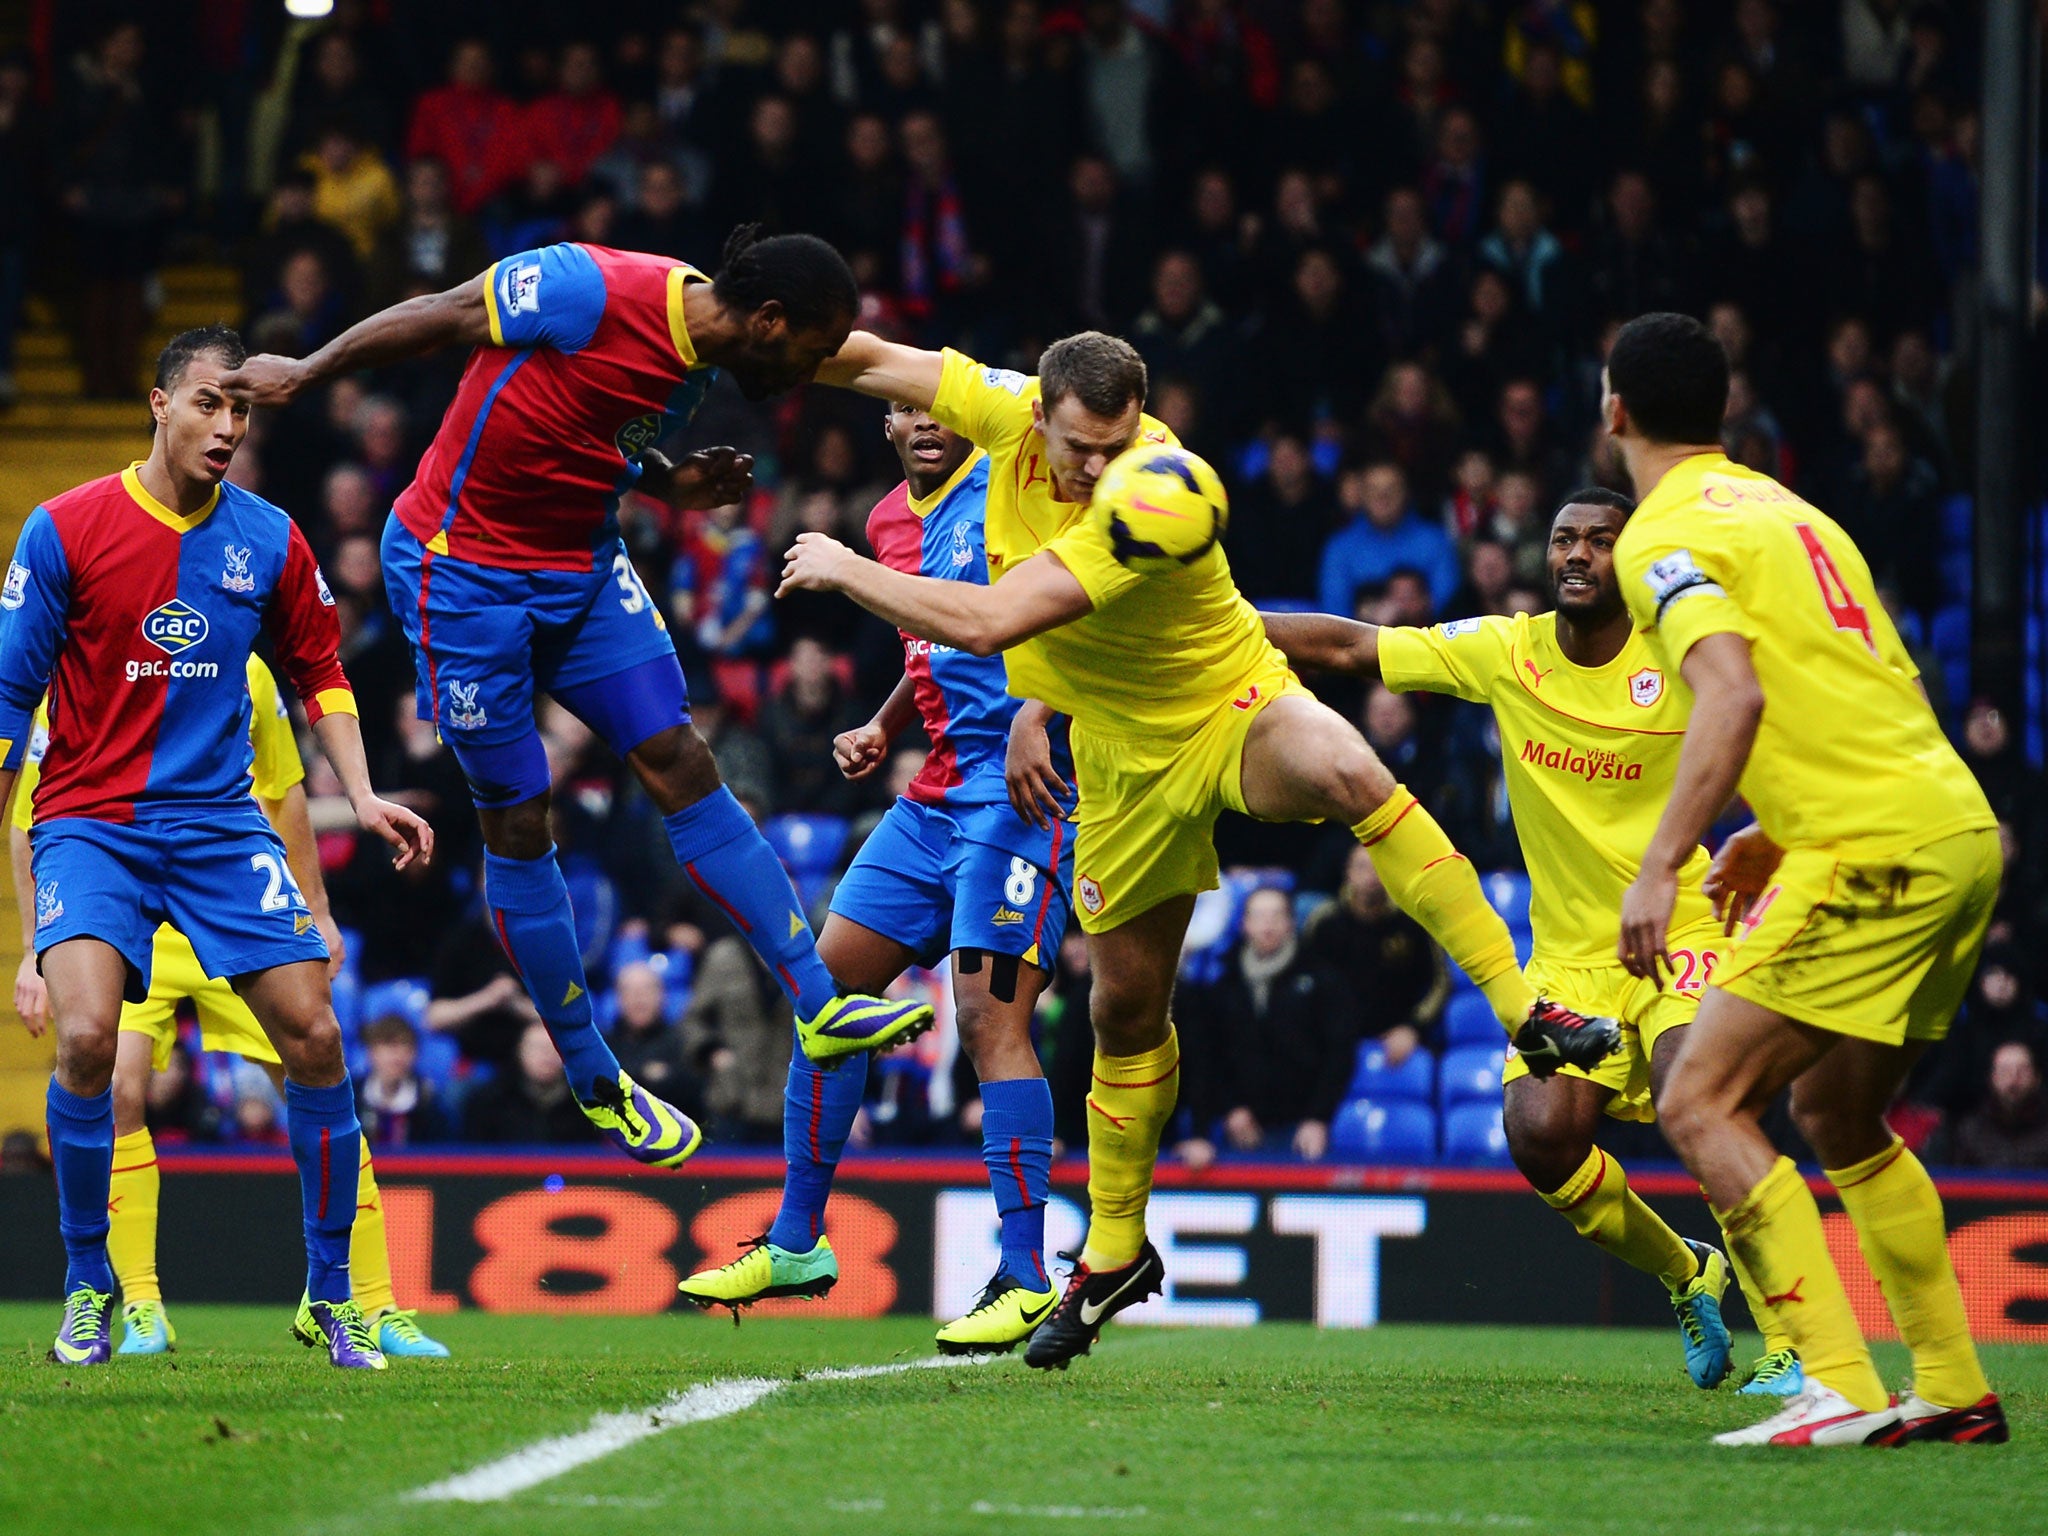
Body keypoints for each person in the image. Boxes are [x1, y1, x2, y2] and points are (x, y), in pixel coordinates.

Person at [786, 331, 1618, 1369]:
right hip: (1120, 764)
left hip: (1227, 705)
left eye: (1119, 441)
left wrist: (842, 568)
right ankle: (1115, 1253)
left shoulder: (1157, 492)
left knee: (1354, 775)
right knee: (1123, 1013)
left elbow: (991, 623)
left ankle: (1522, 1011)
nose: (1100, 467)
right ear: (1035, 413)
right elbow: (865, 358)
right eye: (1083, 447)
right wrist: (750, 338)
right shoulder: (998, 410)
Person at [218, 227, 934, 1169]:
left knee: (679, 756)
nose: (813, 370)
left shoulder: (701, 366)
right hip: (460, 572)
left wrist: (668, 483)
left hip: (581, 568)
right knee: (520, 823)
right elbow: (446, 315)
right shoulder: (588, 286)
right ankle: (593, 1069)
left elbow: (592, 433)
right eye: (812, 345)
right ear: (769, 319)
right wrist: (307, 371)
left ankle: (819, 998)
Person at [1607, 311, 2006, 1446]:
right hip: (1951, 831)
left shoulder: (1660, 535)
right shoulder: (1795, 513)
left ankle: (1835, 1379)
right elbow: (1866, 682)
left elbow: (1730, 695)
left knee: (1697, 1100)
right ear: (1722, 411)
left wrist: (1658, 865)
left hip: (1871, 847)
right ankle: (1950, 1389)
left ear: (1612, 411)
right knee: (1836, 1110)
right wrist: (1775, 832)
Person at [0, 326, 432, 1369]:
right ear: (159, 405)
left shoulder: (270, 538)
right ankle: (92, 1284)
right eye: (208, 403)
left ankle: (334, 1297)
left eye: (241, 409)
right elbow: (12, 698)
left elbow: (320, 674)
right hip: (91, 822)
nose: (228, 427)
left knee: (317, 1037)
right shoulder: (64, 529)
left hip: (217, 828)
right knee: (92, 1041)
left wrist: (361, 790)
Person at [1267, 488, 1751, 1393]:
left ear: (1632, 556)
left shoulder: (1681, 657)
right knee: (1540, 1137)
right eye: (1564, 539)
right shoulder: (1510, 650)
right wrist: (1216, 618)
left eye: (1599, 541)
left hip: (1681, 925)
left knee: (1706, 1106)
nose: (1576, 554)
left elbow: (1765, 723)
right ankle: (1689, 1273)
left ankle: (1800, 1343)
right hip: (1571, 955)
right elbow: (1351, 646)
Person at [681, 402, 1075, 1356]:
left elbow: (1084, 605)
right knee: (827, 997)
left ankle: (1027, 1275)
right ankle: (796, 1242)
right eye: (905, 407)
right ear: (887, 428)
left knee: (989, 1020)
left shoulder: (1018, 494)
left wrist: (1039, 712)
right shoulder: (891, 521)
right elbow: (929, 636)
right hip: (932, 794)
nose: (926, 420)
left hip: (1020, 795)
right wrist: (885, 726)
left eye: (940, 403)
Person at [10, 654, 449, 1359]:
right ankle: (140, 1304)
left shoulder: (243, 664)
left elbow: (284, 793)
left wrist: (319, 911)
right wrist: (34, 948)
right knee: (116, 1084)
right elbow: (28, 818)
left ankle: (370, 1302)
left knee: (313, 1065)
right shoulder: (85, 660)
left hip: (226, 900)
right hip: (130, 909)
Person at [1176, 886, 1358, 1166]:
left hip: (1302, 1129)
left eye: (1276, 915)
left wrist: (1318, 1118)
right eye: (1259, 916)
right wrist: (1231, 1108)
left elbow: (1339, 1053)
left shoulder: (1323, 980)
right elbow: (1209, 1057)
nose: (1268, 924)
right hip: (1238, 1129)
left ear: (1291, 923)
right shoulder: (1224, 985)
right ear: (1244, 924)